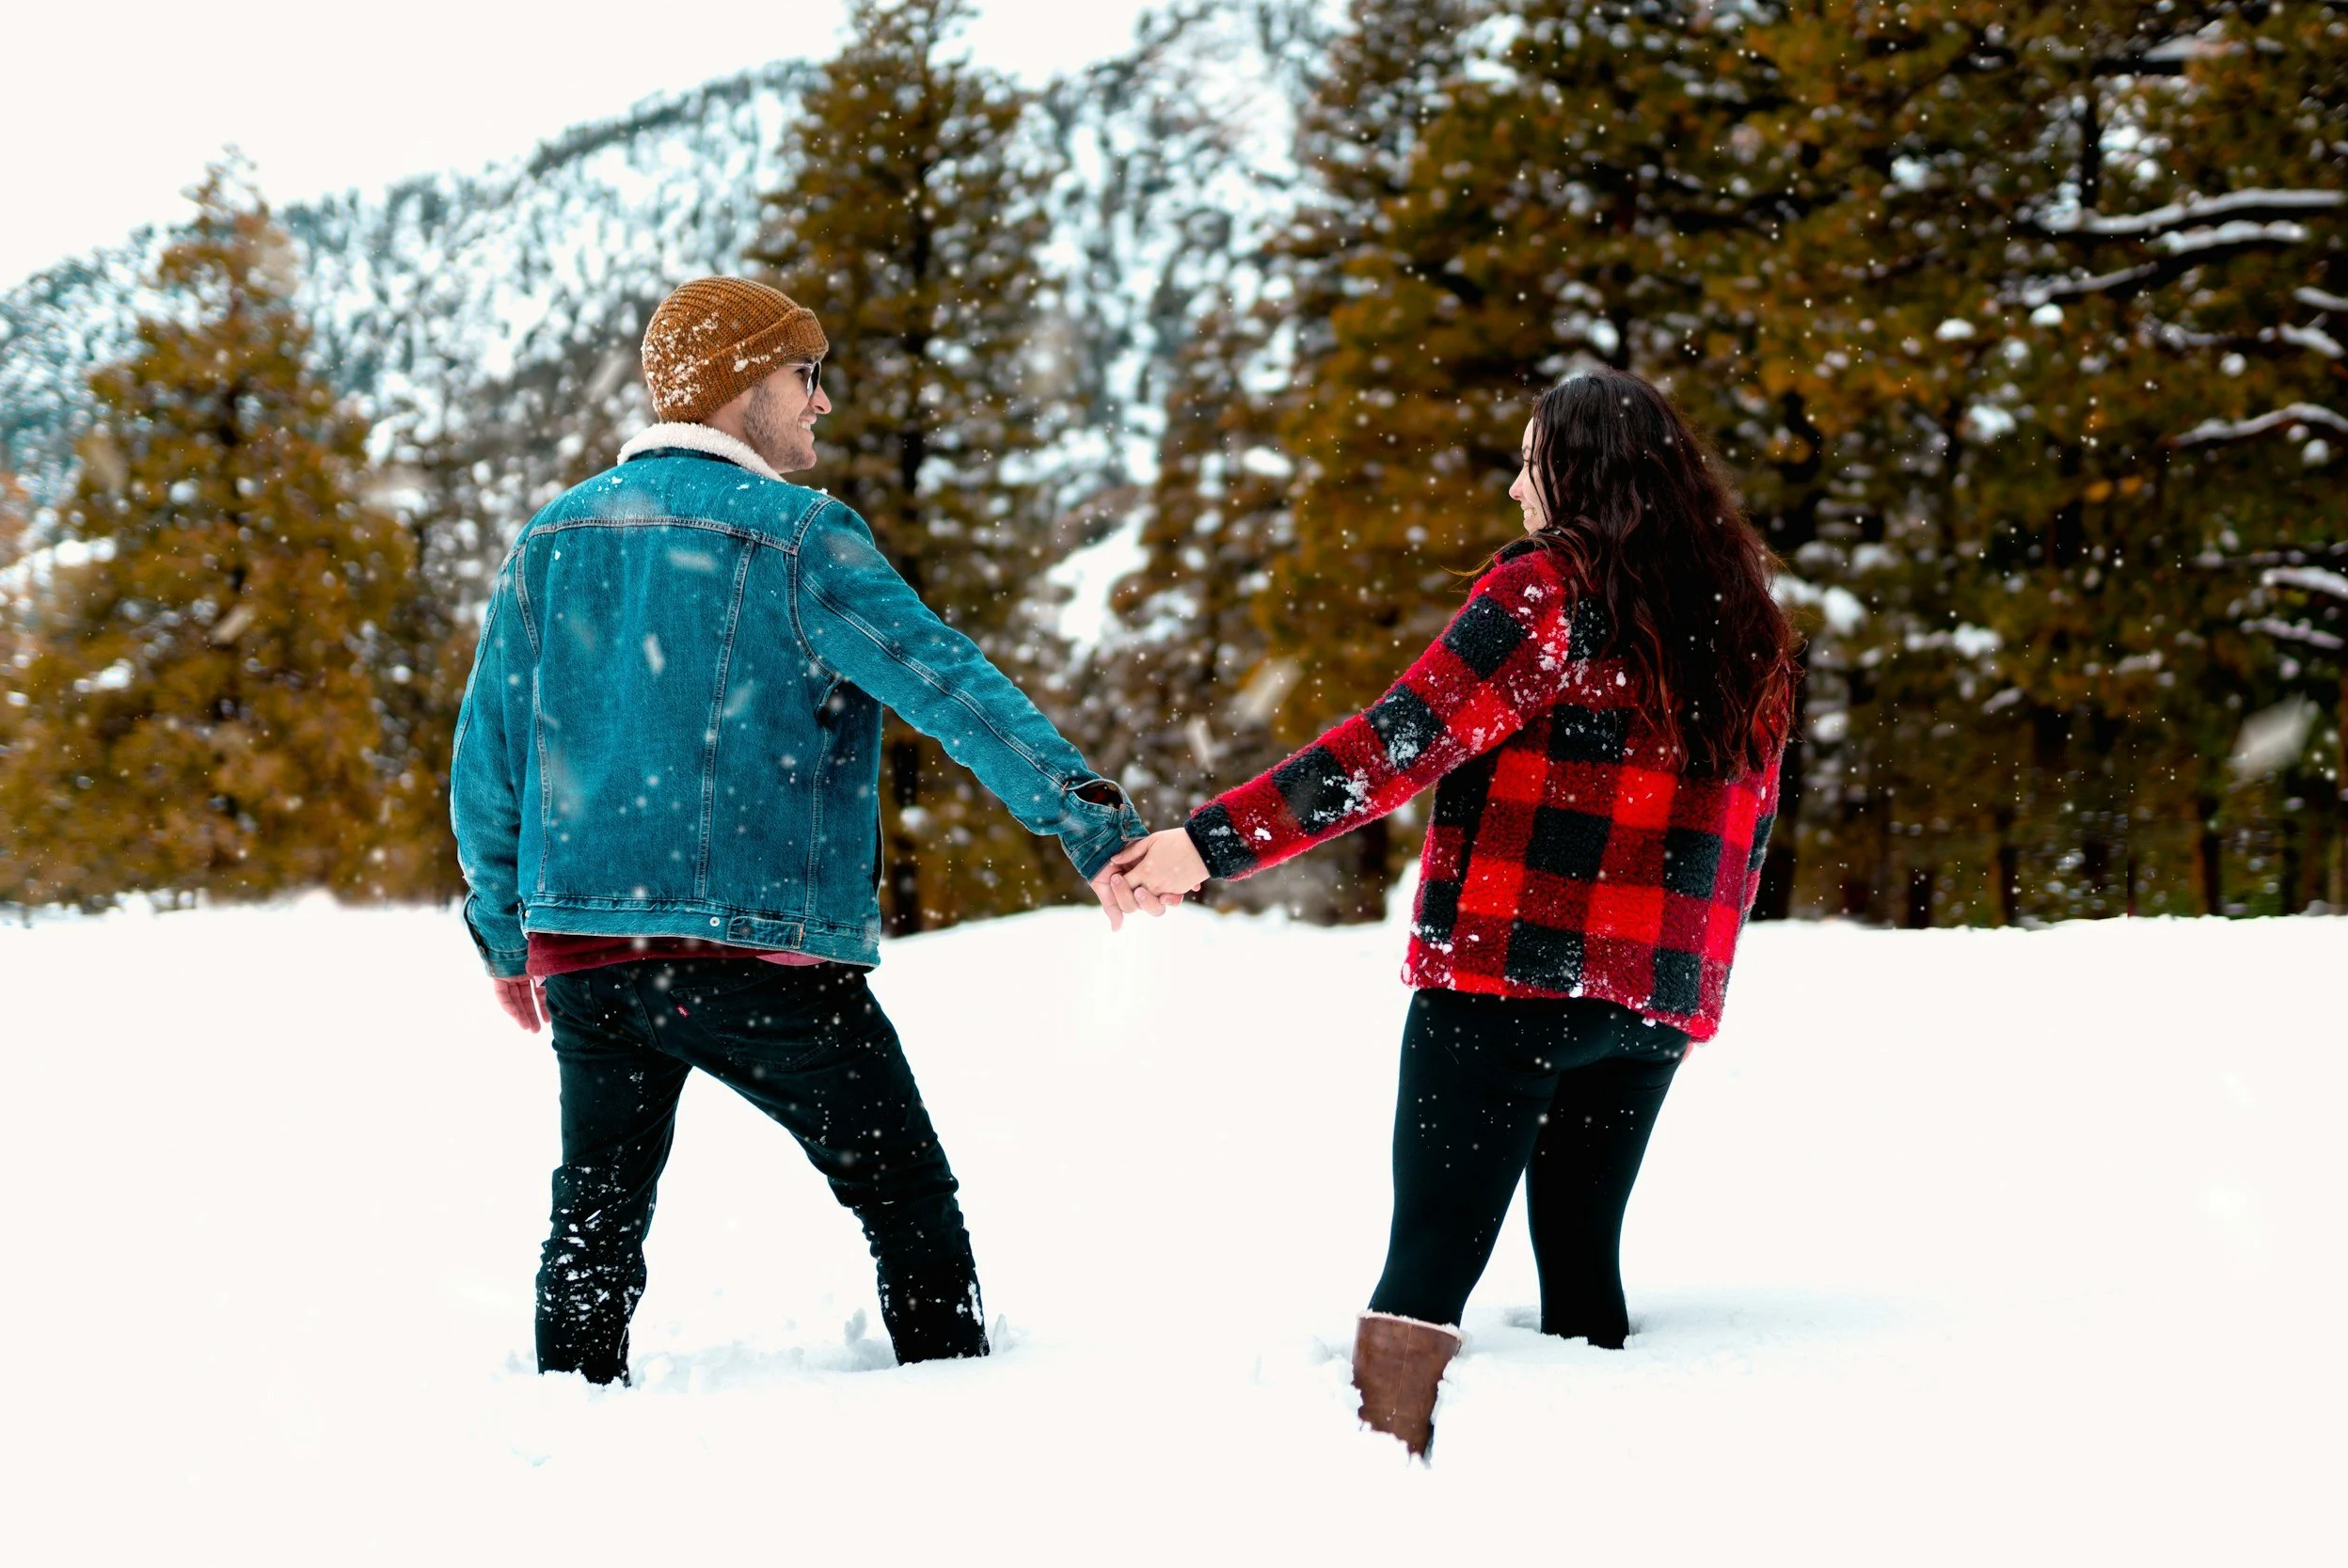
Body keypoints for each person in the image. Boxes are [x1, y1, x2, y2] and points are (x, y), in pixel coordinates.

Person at [451, 277, 1167, 1386]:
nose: (820, 402)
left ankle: (567, 1418)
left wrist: (510, 941)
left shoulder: (553, 536)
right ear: (740, 385)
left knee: (594, 1216)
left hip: (593, 954)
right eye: (804, 375)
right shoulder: (799, 537)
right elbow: (951, 686)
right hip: (765, 954)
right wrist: (1088, 823)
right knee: (904, 1195)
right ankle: (961, 1399)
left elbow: (489, 764)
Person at [1113, 369, 1799, 1458]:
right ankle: (1594, 1486)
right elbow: (1746, 831)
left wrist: (1208, 843)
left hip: (1507, 982)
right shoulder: (1742, 615)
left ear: (1575, 472)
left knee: (1425, 1273)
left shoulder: (1549, 591)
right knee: (1582, 1275)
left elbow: (1394, 744)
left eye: (1530, 460)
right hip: (1651, 1006)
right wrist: (1684, 980)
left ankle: (1378, 1482)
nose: (1517, 487)